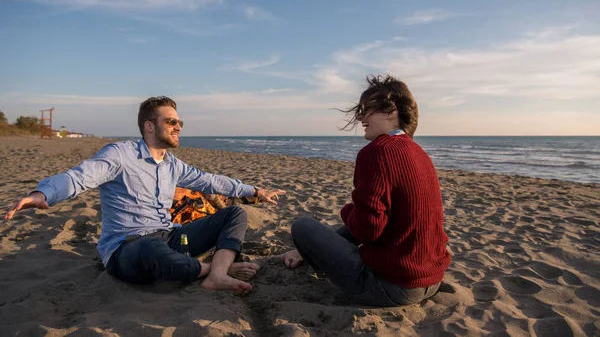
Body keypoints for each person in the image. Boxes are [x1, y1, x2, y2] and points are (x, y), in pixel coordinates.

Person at [5, 96, 285, 294]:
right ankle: (211, 271)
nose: (179, 127)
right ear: (149, 126)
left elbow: (211, 181)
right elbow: (81, 176)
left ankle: (217, 274)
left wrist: (256, 192)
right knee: (151, 248)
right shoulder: (120, 155)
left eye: (180, 122)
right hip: (127, 249)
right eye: (172, 121)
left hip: (171, 238)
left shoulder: (173, 165)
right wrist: (43, 193)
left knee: (234, 213)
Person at [279, 75, 451, 306]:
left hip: (392, 286)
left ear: (391, 110)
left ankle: (308, 254)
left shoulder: (377, 151)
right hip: (431, 280)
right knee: (355, 221)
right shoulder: (419, 153)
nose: (361, 117)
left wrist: (347, 210)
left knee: (303, 225)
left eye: (367, 109)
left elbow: (368, 230)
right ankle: (303, 255)